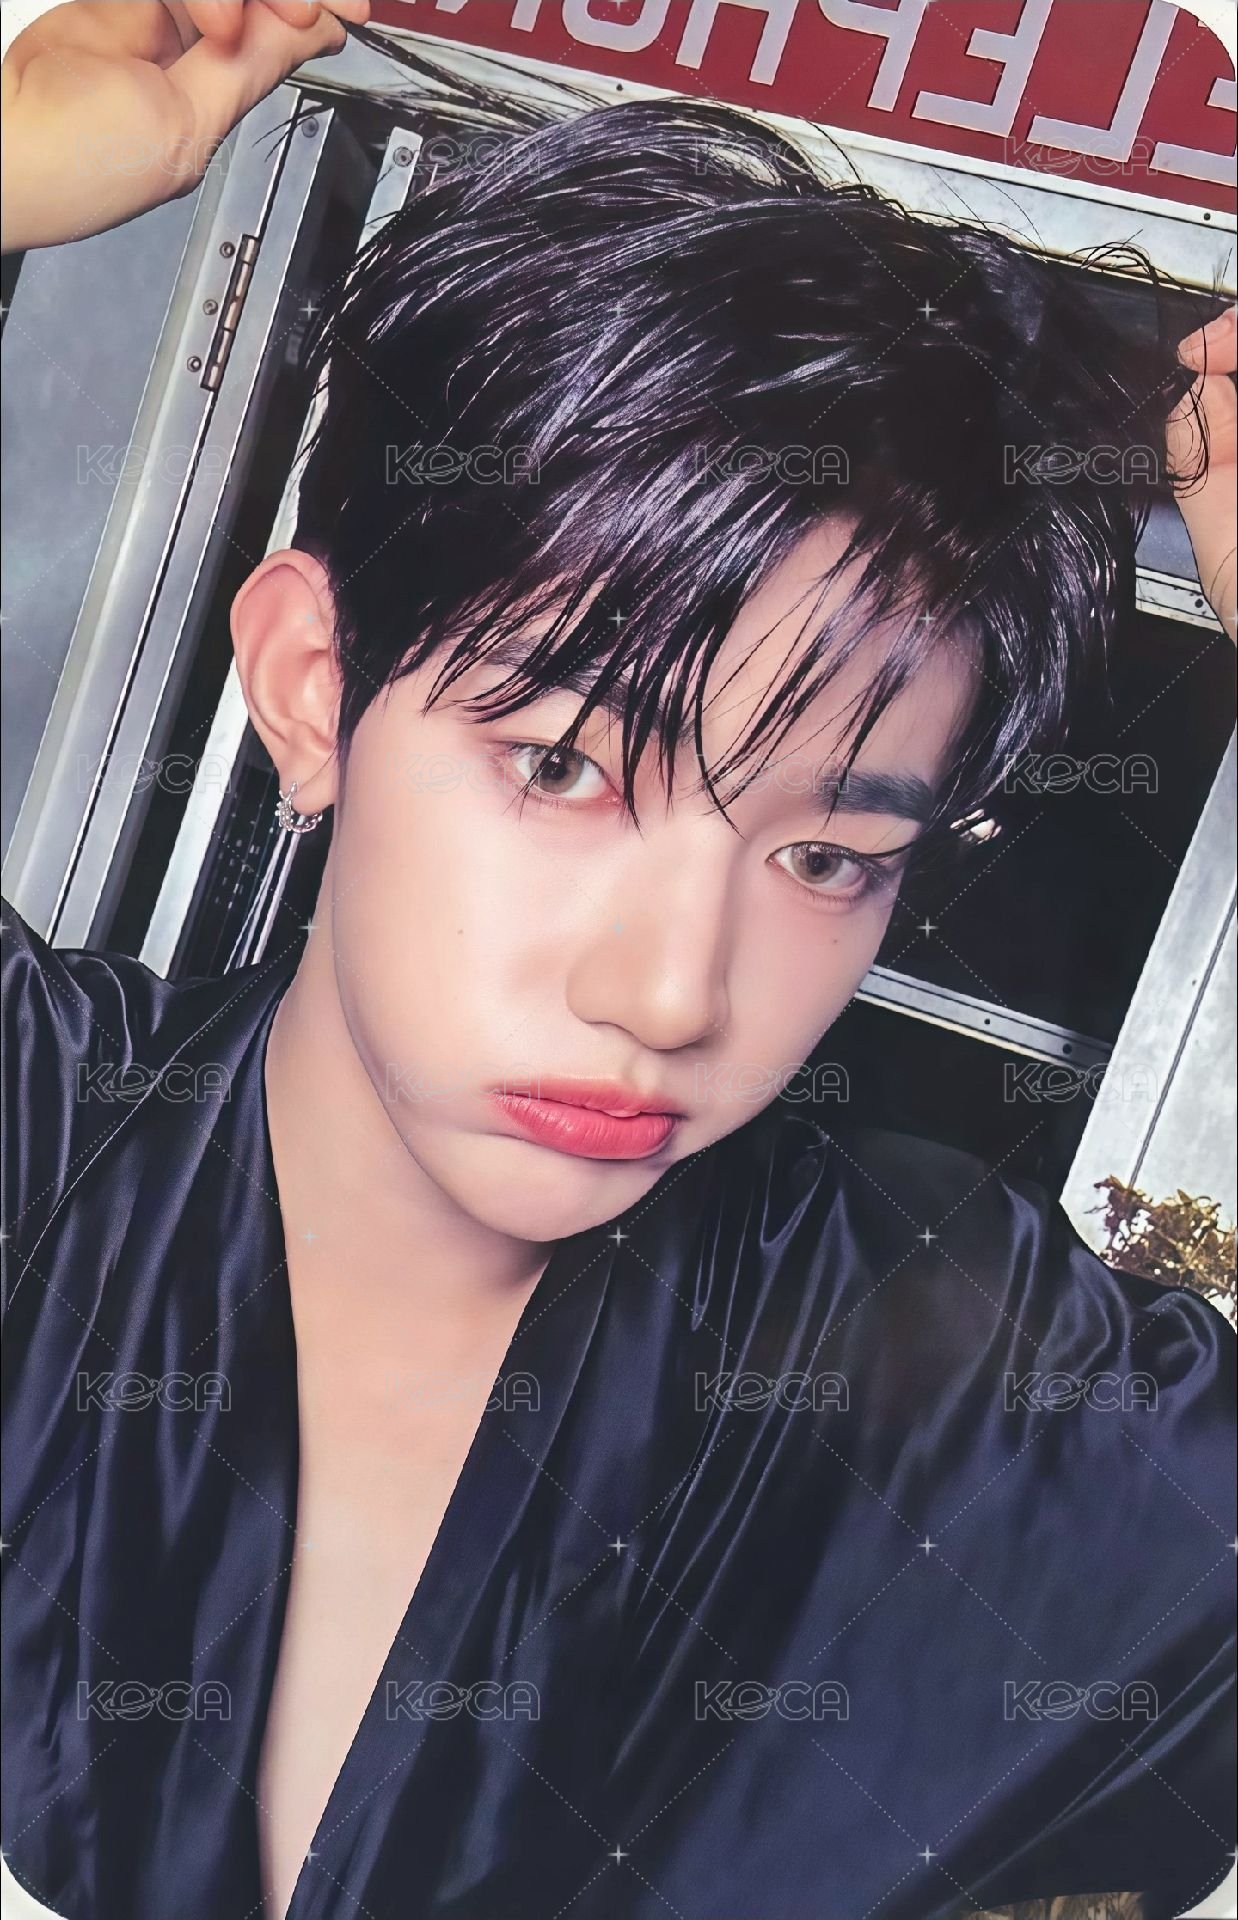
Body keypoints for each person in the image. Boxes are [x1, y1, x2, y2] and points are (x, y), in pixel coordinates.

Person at [1, 6, 1234, 1920]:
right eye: (565, 769)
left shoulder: (940, 1398)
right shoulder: (38, 1141)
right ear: (314, 690)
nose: (672, 997)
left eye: (828, 856)